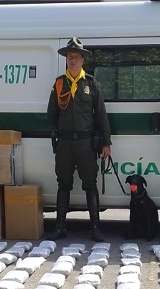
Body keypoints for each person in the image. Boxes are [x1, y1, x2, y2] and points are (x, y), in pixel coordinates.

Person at [46, 37, 112, 242]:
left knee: (90, 184)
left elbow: (101, 115)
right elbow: (51, 114)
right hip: (65, 143)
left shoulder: (91, 83)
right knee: (63, 183)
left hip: (86, 143)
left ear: (83, 60)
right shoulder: (59, 83)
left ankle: (95, 228)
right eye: (69, 57)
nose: (72, 60)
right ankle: (60, 227)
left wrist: (106, 143)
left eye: (76, 57)